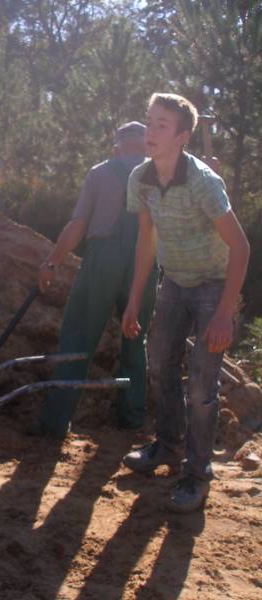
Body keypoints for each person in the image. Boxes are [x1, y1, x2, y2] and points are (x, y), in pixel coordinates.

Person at [121, 93, 249, 513]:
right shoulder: (140, 178)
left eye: (162, 125)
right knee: (159, 366)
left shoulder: (203, 183)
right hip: (173, 282)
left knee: (200, 387)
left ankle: (197, 474)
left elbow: (242, 249)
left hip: (213, 285)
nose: (150, 132)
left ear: (182, 136)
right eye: (149, 121)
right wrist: (134, 301)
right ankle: (167, 446)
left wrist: (225, 313)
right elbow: (145, 242)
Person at [29, 121, 158, 438]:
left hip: (103, 259)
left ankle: (55, 422)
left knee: (78, 338)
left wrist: (52, 262)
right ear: (145, 145)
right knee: (135, 341)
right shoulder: (161, 174)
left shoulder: (100, 173)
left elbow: (78, 225)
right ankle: (132, 419)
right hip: (146, 262)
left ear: (116, 147)